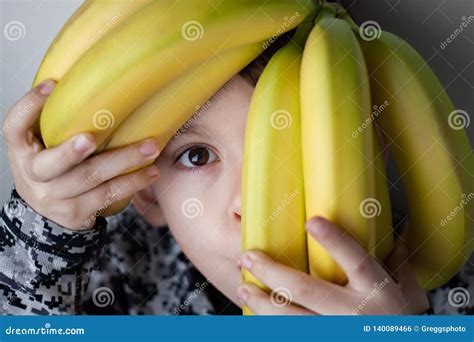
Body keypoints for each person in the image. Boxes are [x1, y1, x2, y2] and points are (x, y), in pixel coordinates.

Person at [1, 33, 471, 316]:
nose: (255, 204)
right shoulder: (110, 286)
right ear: (146, 195)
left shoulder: (451, 292)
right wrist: (45, 233)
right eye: (197, 156)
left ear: (371, 154)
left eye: (301, 142)